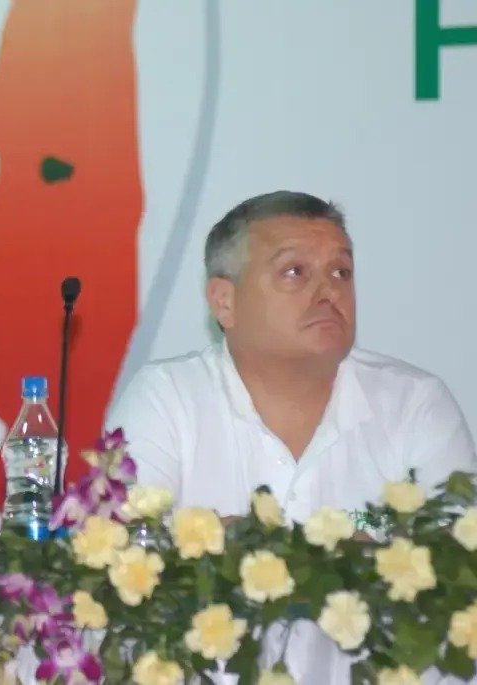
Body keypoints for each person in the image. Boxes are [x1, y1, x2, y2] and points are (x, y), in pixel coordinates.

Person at [105, 190, 476, 683]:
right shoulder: (166, 398)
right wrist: (365, 554)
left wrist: (247, 548)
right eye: (295, 272)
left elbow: (459, 572)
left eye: (340, 272)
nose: (328, 292)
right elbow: (123, 564)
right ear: (225, 301)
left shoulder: (415, 403)